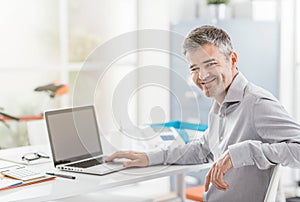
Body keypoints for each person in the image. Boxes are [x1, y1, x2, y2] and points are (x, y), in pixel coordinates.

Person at [106, 25, 300, 202]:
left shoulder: (256, 104)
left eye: (210, 64)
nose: (202, 76)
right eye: (194, 68)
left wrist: (243, 151)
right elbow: (202, 149)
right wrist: (149, 157)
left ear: (232, 60)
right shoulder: (220, 105)